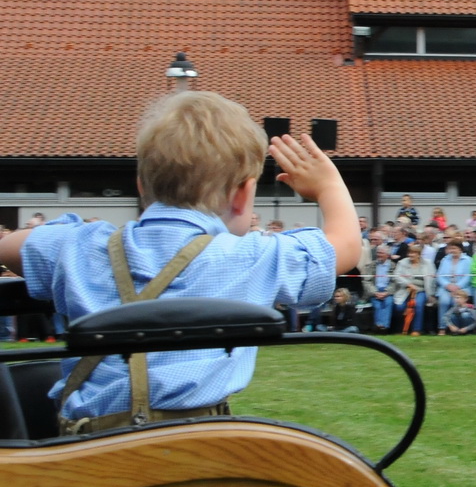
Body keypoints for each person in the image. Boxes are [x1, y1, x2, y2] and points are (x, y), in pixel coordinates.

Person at [0, 93, 361, 433]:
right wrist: (329, 187)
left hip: (85, 455)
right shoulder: (251, 257)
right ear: (243, 195)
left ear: (141, 186)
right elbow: (344, 246)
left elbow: (11, 247)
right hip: (194, 452)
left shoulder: (77, 247)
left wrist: (70, 234)